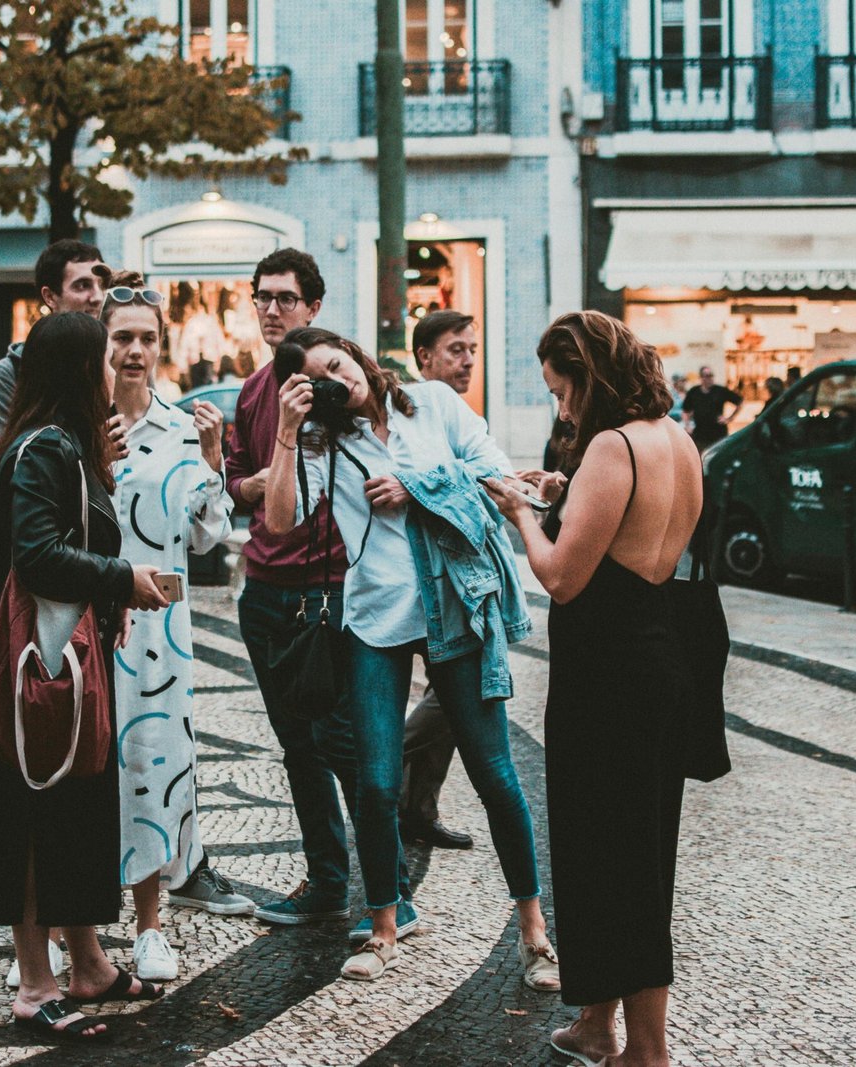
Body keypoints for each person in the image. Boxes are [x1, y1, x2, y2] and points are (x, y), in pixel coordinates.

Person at [265, 327, 559, 989]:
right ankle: (384, 925)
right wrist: (287, 432)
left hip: (454, 609)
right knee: (374, 781)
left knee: (494, 772)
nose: (342, 379)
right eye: (323, 380)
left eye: (338, 362)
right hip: (376, 623)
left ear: (354, 351)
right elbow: (281, 521)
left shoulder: (431, 404)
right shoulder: (322, 444)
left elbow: (497, 477)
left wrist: (414, 483)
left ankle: (534, 930)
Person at [482, 310, 701, 1067]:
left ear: (590, 377)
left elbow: (563, 576)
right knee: (632, 854)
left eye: (562, 391)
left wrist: (520, 513)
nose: (562, 409)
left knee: (610, 861)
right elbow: (637, 535)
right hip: (659, 660)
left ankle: (647, 1049)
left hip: (608, 677)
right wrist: (563, 494)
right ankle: (597, 1024)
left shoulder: (613, 445)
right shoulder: (676, 439)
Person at [0, 311, 172, 1040]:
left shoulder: (61, 445)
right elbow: (36, 553)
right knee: (34, 810)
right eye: (104, 357)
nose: (118, 367)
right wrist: (126, 577)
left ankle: (88, 963)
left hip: (74, 659)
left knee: (81, 803)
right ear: (84, 370)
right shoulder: (44, 448)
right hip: (47, 663)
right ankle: (34, 982)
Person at [102, 273, 252, 984]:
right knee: (90, 771)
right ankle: (80, 930)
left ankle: (151, 924)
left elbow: (206, 536)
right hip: (91, 622)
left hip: (161, 633)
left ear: (161, 346)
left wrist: (215, 459)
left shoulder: (178, 426)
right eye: (122, 337)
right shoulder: (81, 425)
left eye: (146, 338)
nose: (135, 350)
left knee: (157, 767)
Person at [226, 250, 361, 929]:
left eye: (285, 297)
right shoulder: (253, 392)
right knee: (296, 744)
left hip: (327, 589)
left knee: (342, 740)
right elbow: (235, 477)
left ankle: (390, 887)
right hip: (264, 589)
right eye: (262, 297)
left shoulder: (336, 388)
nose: (272, 308)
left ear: (312, 307)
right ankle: (329, 879)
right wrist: (246, 485)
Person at [395, 309, 484, 851]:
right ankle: (380, 760)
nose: (468, 359)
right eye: (456, 349)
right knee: (459, 694)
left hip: (452, 580)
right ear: (424, 357)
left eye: (472, 349)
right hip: (414, 582)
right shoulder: (407, 415)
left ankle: (418, 808)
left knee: (448, 693)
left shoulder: (459, 414)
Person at [0, 240, 107, 439]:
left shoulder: (122, 356)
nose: (97, 297)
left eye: (103, 285)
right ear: (50, 297)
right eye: (82, 285)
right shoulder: (13, 372)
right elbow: (18, 458)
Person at [680, 365, 741, 451]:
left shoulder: (720, 390)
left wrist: (729, 418)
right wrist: (687, 426)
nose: (710, 378)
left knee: (718, 459)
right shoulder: (694, 392)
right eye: (707, 376)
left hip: (718, 434)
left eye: (711, 375)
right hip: (700, 434)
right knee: (702, 459)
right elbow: (685, 410)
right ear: (701, 378)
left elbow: (739, 401)